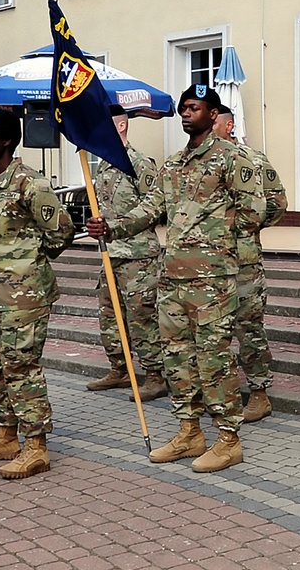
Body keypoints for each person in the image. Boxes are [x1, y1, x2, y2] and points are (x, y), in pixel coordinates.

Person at [87, 85, 264, 473]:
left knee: (214, 359)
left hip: (212, 280)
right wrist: (111, 227)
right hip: (172, 278)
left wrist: (218, 241)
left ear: (213, 114)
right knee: (178, 359)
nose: (186, 113)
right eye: (183, 108)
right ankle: (189, 431)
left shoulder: (232, 159)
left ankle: (228, 439)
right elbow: (151, 208)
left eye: (194, 108)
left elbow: (256, 211)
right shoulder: (173, 165)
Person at [0, 106, 75, 479]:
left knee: (21, 368)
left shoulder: (29, 182)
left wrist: (28, 262)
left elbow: (61, 231)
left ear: (7, 139)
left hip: (24, 296)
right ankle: (6, 435)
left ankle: (36, 446)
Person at [85, 105, 167, 402]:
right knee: (109, 315)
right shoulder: (103, 164)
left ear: (120, 127)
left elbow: (155, 208)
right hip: (110, 252)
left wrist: (116, 226)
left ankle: (155, 376)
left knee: (141, 318)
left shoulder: (140, 164)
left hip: (138, 256)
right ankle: (119, 368)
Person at [214, 104, 288, 422]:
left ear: (229, 126)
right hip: (208, 265)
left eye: (212, 119)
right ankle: (220, 395)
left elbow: (278, 201)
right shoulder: (198, 162)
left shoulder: (253, 160)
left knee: (249, 329)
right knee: (211, 334)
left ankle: (259, 393)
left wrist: (247, 226)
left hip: (243, 263)